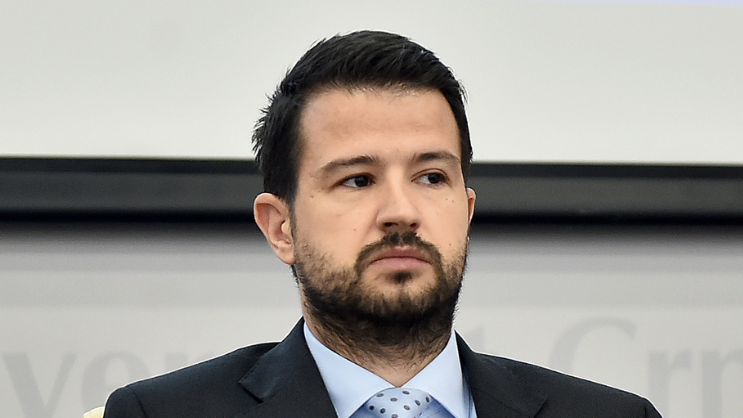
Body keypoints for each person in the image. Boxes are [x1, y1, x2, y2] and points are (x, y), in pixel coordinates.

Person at [103, 31, 662, 418]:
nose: (401, 211)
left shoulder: (614, 416)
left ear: (466, 213)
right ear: (281, 228)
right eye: (358, 180)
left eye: (431, 177)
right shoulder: (161, 413)